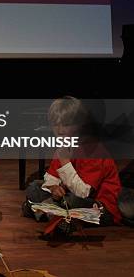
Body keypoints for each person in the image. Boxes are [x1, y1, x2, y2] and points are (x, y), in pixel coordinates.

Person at [23, 97, 122, 228]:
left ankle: (45, 212)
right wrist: (53, 188)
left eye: (66, 124)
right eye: (55, 124)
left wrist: (65, 162)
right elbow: (50, 178)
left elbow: (83, 193)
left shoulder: (93, 149)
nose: (60, 129)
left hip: (99, 207)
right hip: (70, 196)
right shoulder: (65, 145)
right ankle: (54, 215)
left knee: (72, 201)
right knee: (34, 187)